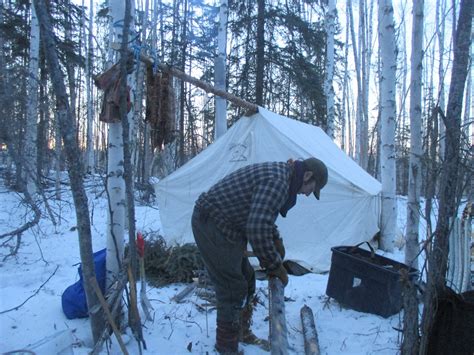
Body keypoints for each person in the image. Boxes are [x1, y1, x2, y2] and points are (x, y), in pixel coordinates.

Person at [191, 157, 328, 354]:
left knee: (247, 278)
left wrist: (275, 239)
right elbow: (256, 228)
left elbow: (260, 213)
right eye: (311, 189)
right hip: (211, 224)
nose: (307, 194)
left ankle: (241, 333)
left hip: (227, 226)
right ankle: (226, 347)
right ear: (306, 176)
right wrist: (274, 266)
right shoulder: (279, 182)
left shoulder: (282, 176)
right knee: (232, 287)